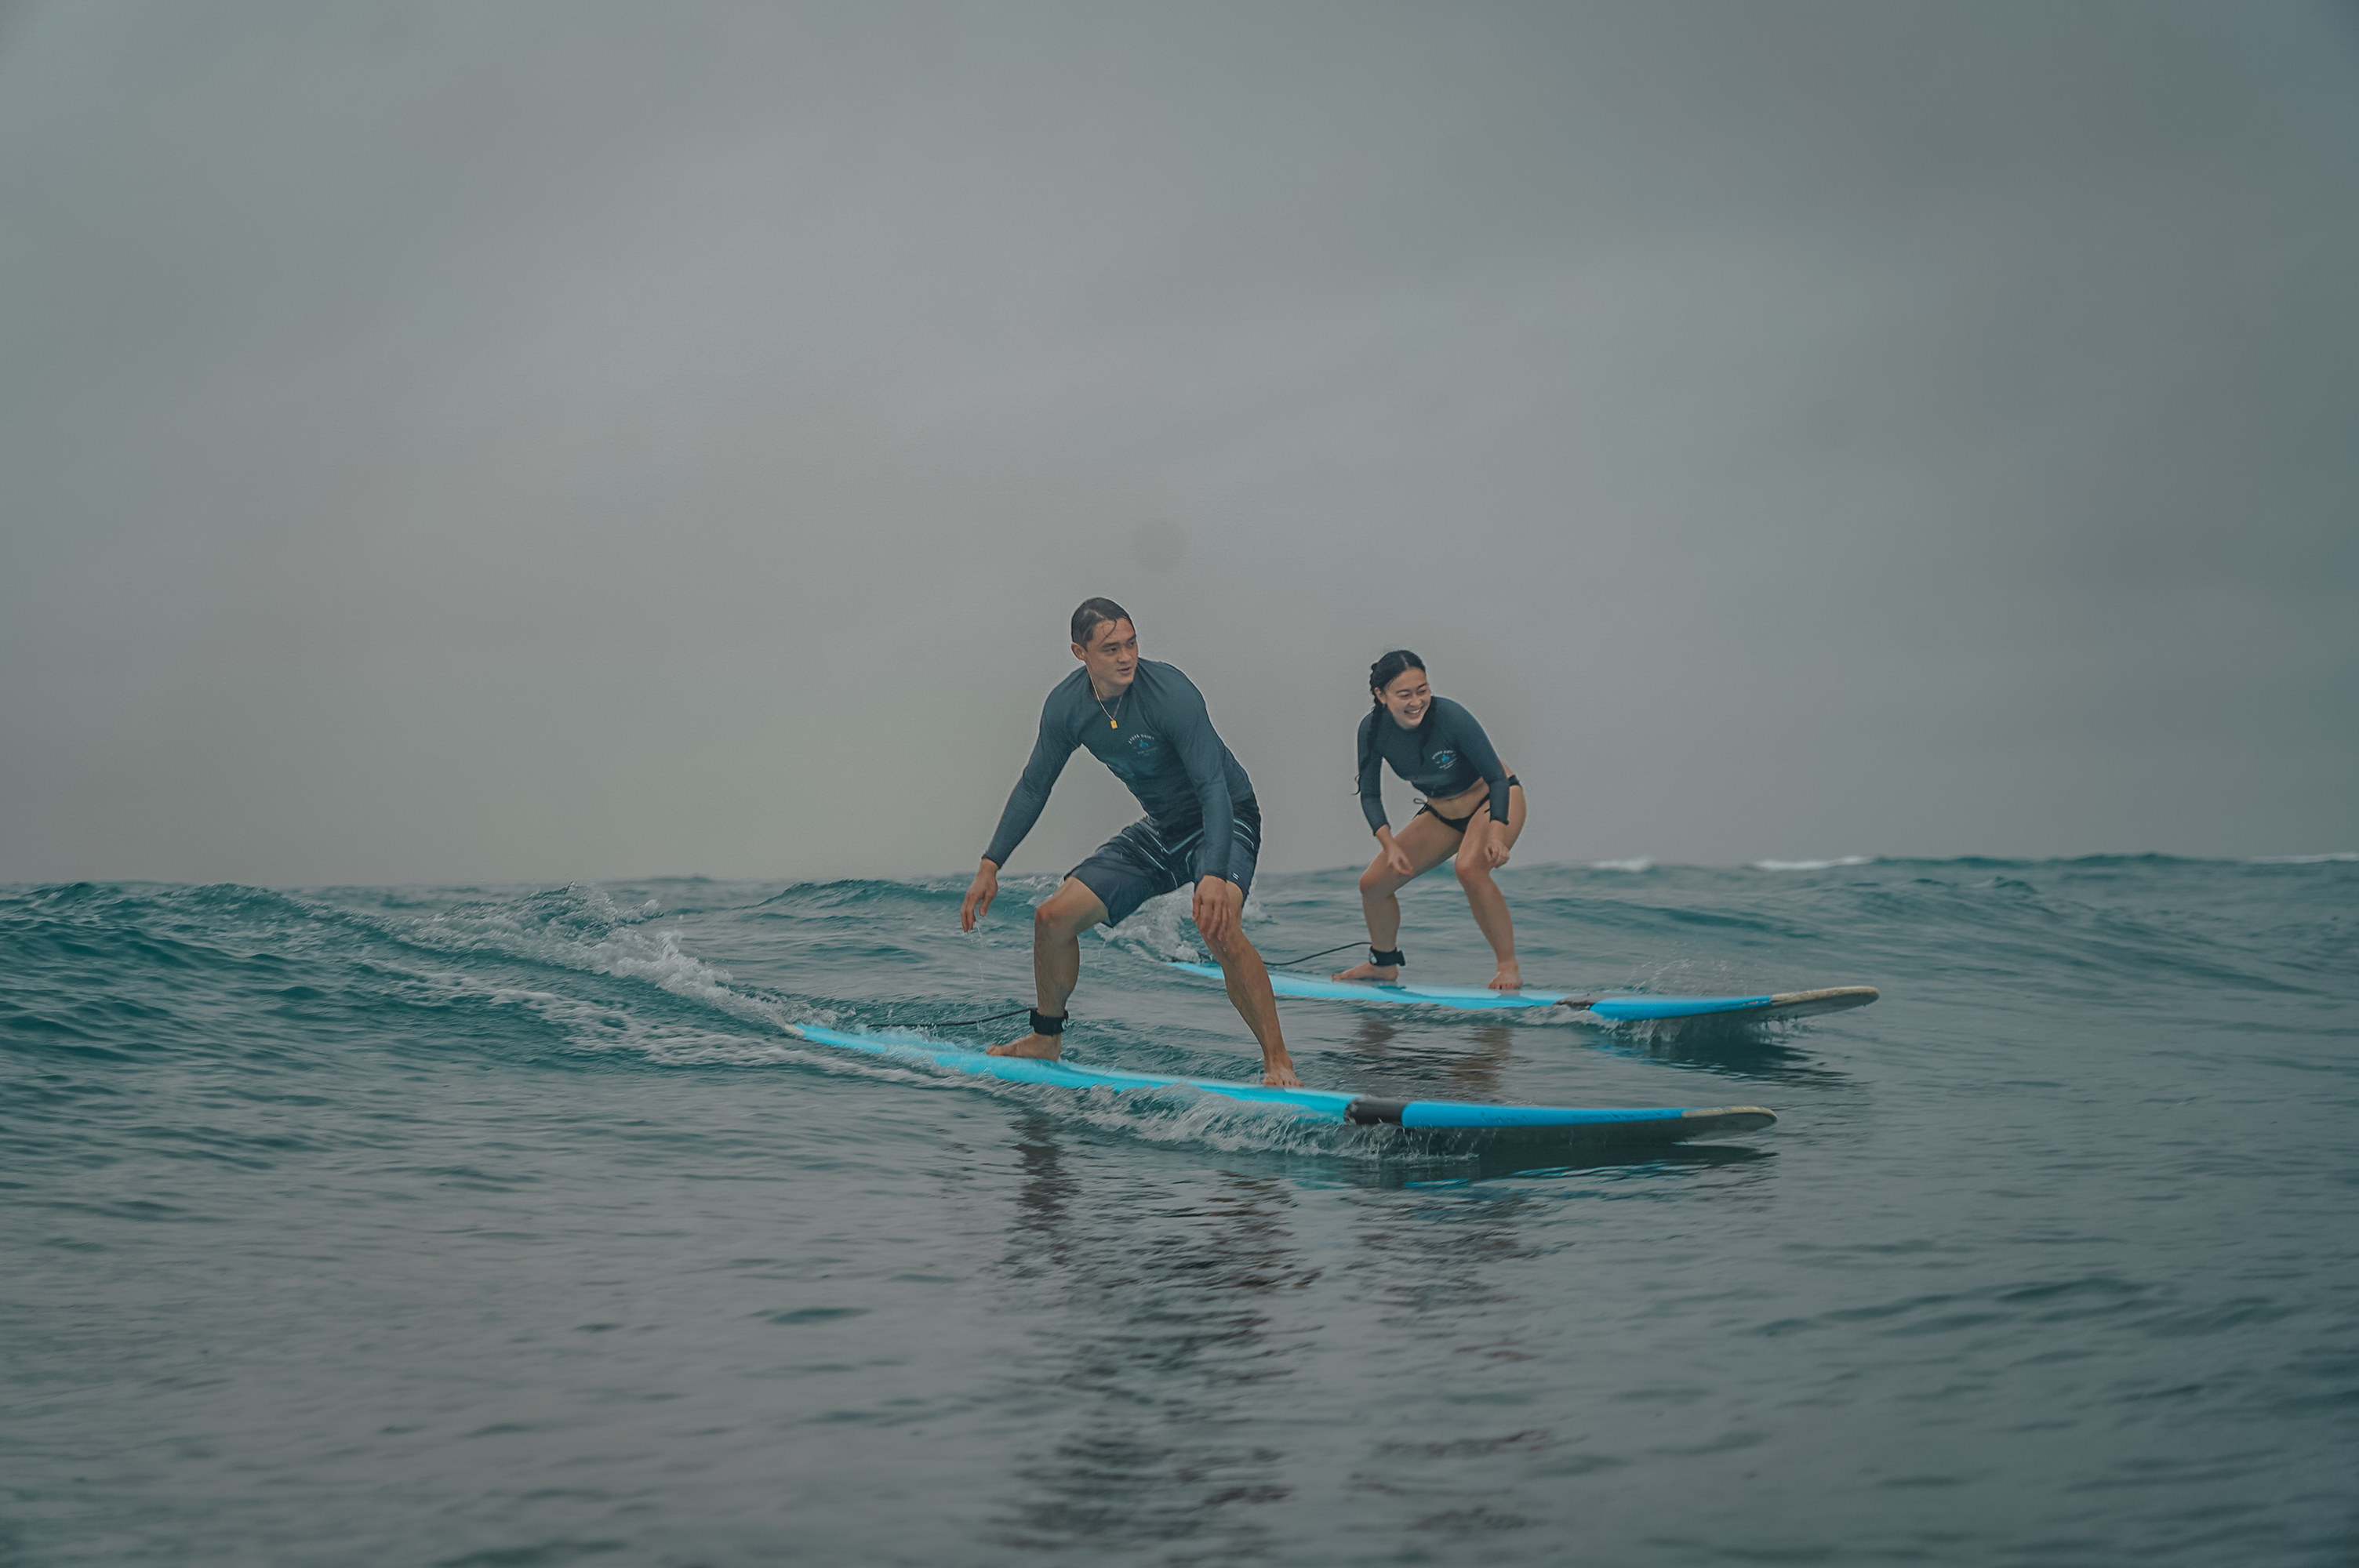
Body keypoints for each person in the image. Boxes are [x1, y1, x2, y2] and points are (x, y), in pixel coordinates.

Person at [960, 598, 1301, 1087]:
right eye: (1111, 648)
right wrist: (990, 864)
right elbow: (1035, 785)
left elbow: (1213, 788)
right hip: (1163, 827)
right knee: (1052, 919)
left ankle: (1278, 1061)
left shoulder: (1172, 694)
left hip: (1224, 816)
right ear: (1080, 653)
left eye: (1132, 643)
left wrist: (1213, 873)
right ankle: (1045, 1038)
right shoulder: (1067, 708)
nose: (1126, 657)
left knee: (1218, 923)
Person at [1332, 650, 1528, 989]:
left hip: (1494, 799)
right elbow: (1370, 795)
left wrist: (1497, 834)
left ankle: (1508, 967)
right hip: (1442, 813)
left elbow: (1497, 779)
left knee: (1470, 868)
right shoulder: (1373, 730)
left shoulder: (1451, 717)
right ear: (1381, 696)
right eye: (1404, 694)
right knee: (1373, 885)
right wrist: (1389, 845)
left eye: (1422, 690)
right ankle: (1384, 964)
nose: (1416, 702)